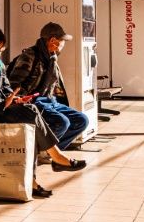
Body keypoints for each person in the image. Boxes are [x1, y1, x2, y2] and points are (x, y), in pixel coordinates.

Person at [0, 24, 84, 198]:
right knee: (31, 115)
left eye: (0, 48)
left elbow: (6, 88)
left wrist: (15, 98)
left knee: (30, 113)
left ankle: (35, 178)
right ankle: (54, 158)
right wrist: (2, 103)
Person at [7, 21, 91, 156]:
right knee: (62, 122)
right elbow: (13, 85)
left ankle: (52, 152)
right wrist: (22, 99)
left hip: (49, 101)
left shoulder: (51, 58)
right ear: (53, 41)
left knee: (81, 120)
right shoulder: (29, 56)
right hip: (32, 102)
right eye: (62, 41)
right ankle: (40, 153)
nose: (63, 46)